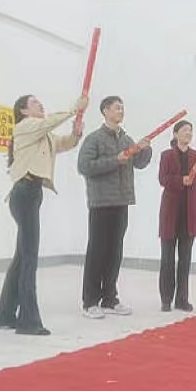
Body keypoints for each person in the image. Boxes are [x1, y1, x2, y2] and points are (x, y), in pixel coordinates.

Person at [0, 93, 87, 335]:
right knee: (29, 258)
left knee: (22, 256)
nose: (40, 104)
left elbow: (63, 143)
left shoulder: (42, 133)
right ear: (23, 111)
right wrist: (74, 109)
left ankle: (5, 315)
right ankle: (28, 321)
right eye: (34, 102)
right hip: (24, 193)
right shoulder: (25, 126)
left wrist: (76, 134)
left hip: (31, 193)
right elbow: (49, 122)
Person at [77, 96, 152, 318]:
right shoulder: (94, 139)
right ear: (105, 111)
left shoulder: (126, 139)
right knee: (97, 251)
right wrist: (114, 160)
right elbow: (84, 166)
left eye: (122, 108)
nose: (121, 111)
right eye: (117, 108)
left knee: (115, 252)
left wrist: (145, 150)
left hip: (121, 201)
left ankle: (110, 299)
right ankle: (90, 302)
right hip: (101, 202)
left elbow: (139, 163)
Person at [157, 120, 196, 312]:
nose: (188, 133)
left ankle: (182, 299)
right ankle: (166, 299)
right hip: (171, 212)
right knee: (167, 259)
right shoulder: (167, 155)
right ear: (175, 134)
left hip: (190, 213)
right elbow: (163, 179)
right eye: (185, 130)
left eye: (190, 131)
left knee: (185, 260)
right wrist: (181, 180)